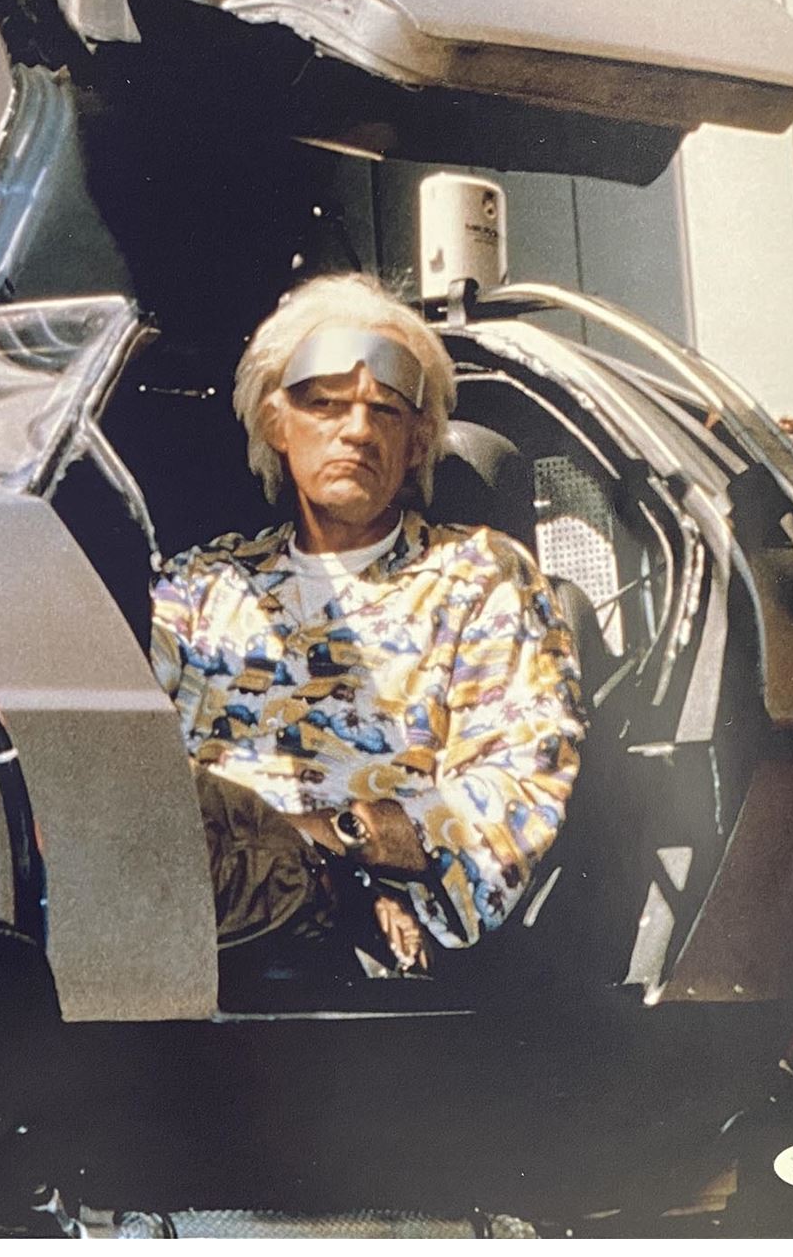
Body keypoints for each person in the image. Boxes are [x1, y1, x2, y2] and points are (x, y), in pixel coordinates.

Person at [150, 273, 587, 975]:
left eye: (384, 410)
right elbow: (118, 744)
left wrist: (346, 844)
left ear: (417, 442)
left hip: (352, 941)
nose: (356, 430)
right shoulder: (202, 584)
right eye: (326, 404)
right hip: (175, 911)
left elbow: (515, 789)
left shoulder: (480, 578)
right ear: (276, 424)